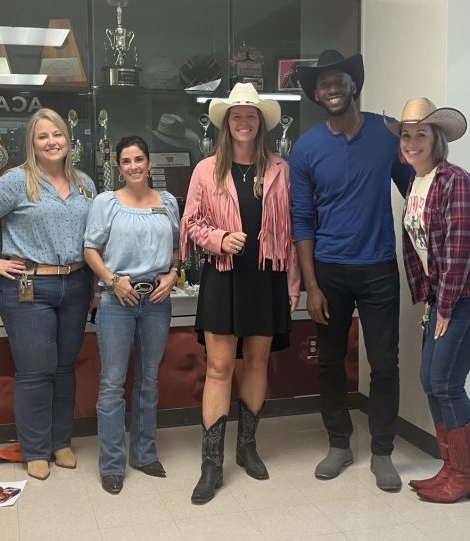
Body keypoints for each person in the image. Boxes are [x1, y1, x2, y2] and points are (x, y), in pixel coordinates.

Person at [288, 50, 413, 491]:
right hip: (329, 272)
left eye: (338, 80)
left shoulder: (386, 133)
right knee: (329, 362)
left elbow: (416, 190)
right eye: (323, 84)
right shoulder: (305, 149)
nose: (332, 88)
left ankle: (382, 451)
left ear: (353, 84)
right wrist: (312, 285)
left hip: (378, 266)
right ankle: (339, 444)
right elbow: (301, 222)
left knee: (385, 364)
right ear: (316, 94)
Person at [0, 107, 96, 480]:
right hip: (29, 288)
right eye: (43, 136)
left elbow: (95, 240)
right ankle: (35, 449)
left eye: (58, 135)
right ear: (31, 144)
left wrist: (96, 287)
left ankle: (60, 442)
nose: (52, 142)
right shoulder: (16, 181)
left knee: (65, 370)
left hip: (77, 285)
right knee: (36, 372)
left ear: (69, 139)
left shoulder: (85, 184)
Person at [180, 83, 300, 504]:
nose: (244, 121)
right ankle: (210, 463)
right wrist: (219, 238)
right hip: (224, 275)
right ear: (226, 125)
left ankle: (247, 446)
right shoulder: (206, 170)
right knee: (217, 368)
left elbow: (291, 231)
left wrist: (293, 286)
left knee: (257, 361)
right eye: (236, 116)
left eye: (251, 115)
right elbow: (191, 223)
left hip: (267, 275)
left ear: (261, 123)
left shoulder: (282, 169)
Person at [384, 98, 470, 502]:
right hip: (447, 295)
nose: (412, 142)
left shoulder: (454, 180)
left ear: (438, 139)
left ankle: (467, 476)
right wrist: (428, 301)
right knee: (430, 380)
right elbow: (418, 251)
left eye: (422, 133)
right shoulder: (416, 184)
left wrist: (447, 304)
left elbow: (459, 248)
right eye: (406, 135)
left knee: (446, 382)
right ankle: (452, 468)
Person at [83, 135, 180, 495]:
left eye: (139, 159)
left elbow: (176, 250)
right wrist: (111, 280)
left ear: (150, 163)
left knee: (149, 380)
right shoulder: (106, 202)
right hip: (115, 302)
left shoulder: (167, 202)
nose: (134, 166)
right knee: (111, 385)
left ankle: (144, 454)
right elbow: (90, 249)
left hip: (156, 301)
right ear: (118, 167)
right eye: (126, 161)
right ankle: (112, 465)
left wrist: (172, 276)